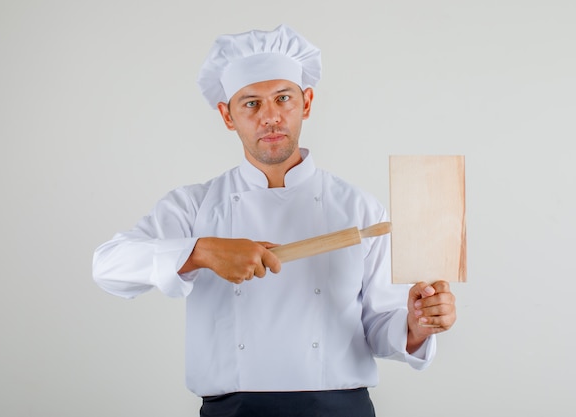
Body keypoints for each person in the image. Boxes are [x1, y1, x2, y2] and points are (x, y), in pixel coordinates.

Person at [93, 24, 457, 417]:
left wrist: (417, 326)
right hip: (233, 411)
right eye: (250, 103)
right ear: (227, 115)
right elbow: (108, 266)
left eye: (283, 98)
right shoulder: (195, 207)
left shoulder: (360, 209)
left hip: (340, 409)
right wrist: (201, 252)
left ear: (307, 102)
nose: (270, 117)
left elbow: (382, 323)